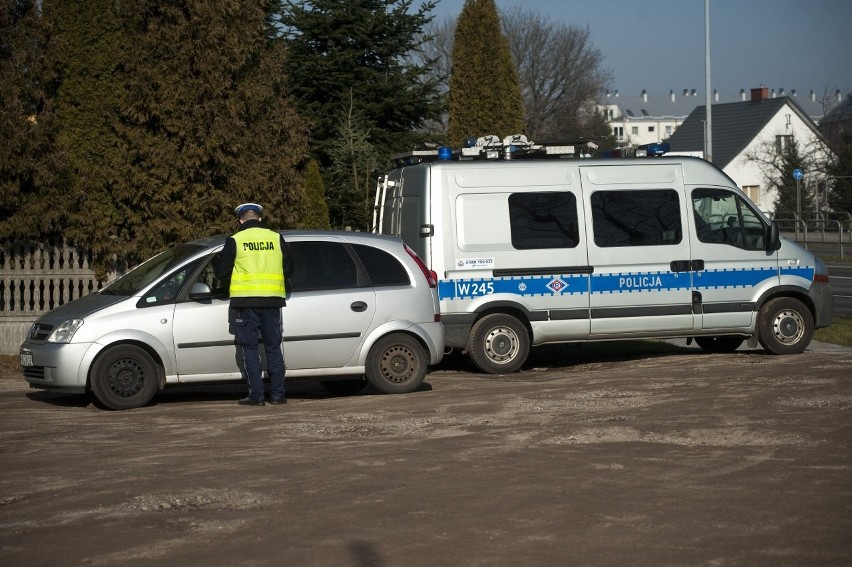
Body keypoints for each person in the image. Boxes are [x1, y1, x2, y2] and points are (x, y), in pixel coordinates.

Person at [215, 203, 291, 406]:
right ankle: (277, 395)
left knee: (249, 349)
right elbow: (289, 269)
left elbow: (222, 273)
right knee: (273, 348)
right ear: (259, 218)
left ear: (240, 220)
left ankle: (256, 396)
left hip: (246, 302)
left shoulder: (235, 240)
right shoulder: (276, 238)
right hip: (273, 301)